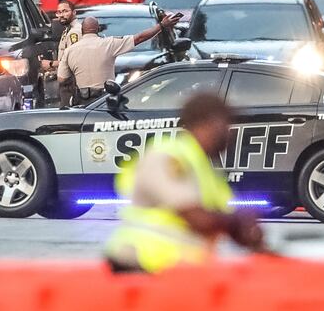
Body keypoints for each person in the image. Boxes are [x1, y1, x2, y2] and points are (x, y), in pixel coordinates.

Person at [105, 93, 266, 273]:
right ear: (209, 123)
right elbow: (197, 218)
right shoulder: (170, 158)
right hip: (141, 268)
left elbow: (219, 222)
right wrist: (237, 220)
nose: (229, 133)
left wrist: (246, 232)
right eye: (226, 124)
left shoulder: (205, 169)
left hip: (179, 272)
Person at [57, 15, 181, 106]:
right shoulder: (109, 43)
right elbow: (139, 38)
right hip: (104, 101)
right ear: (98, 29)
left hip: (81, 102)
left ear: (82, 31)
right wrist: (161, 25)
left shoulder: (69, 51)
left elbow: (62, 79)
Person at [40, 0, 82, 107]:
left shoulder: (75, 32)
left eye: (65, 11)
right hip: (67, 80)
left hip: (72, 82)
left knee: (67, 115)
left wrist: (51, 64)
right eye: (58, 12)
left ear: (74, 12)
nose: (61, 15)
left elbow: (73, 58)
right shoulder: (67, 30)